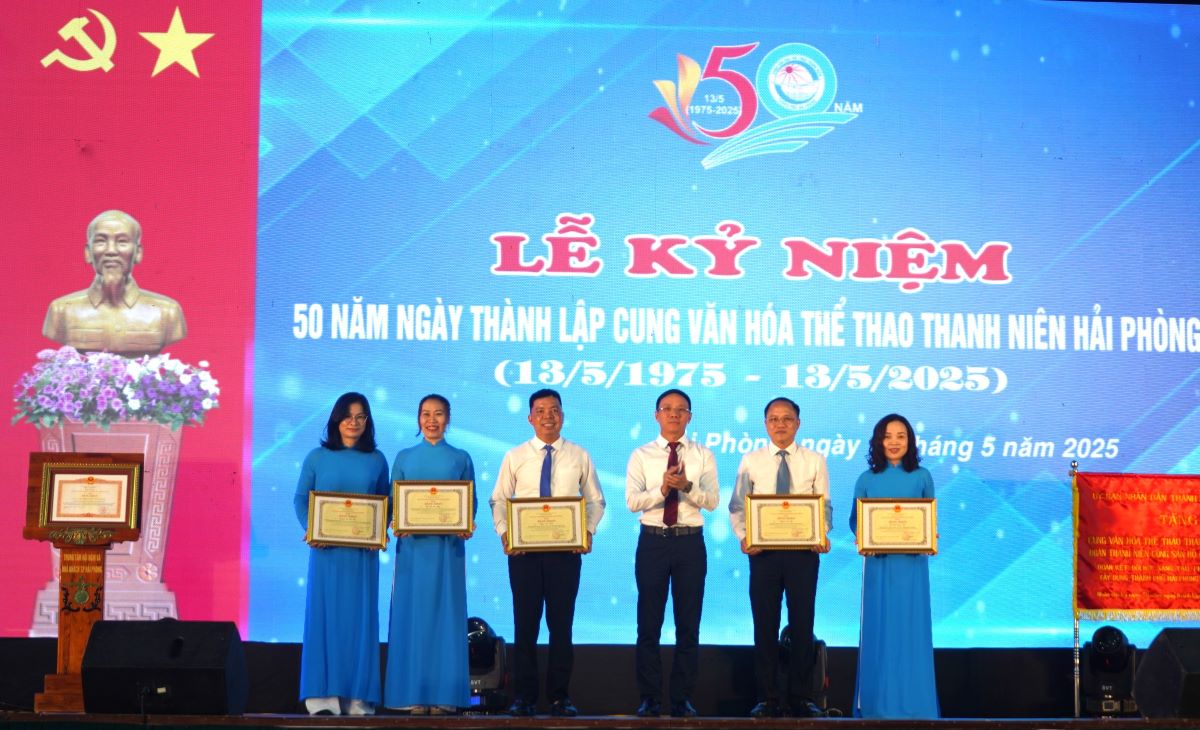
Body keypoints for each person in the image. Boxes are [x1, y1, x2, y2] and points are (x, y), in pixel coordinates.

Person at [490, 388, 606, 717]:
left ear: (562, 416)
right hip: (524, 555)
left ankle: (559, 697)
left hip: (565, 554)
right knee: (525, 626)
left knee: (561, 626)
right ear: (530, 418)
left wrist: (587, 531)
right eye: (540, 411)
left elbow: (596, 500)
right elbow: (499, 499)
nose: (547, 416)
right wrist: (505, 533)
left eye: (554, 410)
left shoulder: (579, 455)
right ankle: (523, 698)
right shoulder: (515, 456)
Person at [729, 397, 832, 718]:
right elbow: (737, 505)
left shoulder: (814, 460)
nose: (780, 424)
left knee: (802, 624)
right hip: (764, 554)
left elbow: (825, 505)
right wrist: (744, 536)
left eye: (787, 418)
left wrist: (821, 533)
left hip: (803, 554)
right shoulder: (751, 461)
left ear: (798, 424)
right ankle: (768, 697)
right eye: (774, 419)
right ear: (766, 424)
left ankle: (801, 697)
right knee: (765, 624)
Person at [292, 392, 390, 716]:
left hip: (362, 557)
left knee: (360, 623)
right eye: (348, 416)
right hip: (326, 555)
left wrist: (379, 529)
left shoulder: (376, 460)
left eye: (360, 417)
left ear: (367, 422)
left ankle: (359, 699)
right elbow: (300, 499)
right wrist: (311, 528)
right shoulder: (317, 457)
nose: (353, 422)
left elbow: (386, 504)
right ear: (336, 419)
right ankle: (322, 699)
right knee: (325, 620)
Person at [625, 389, 719, 718]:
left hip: (689, 543)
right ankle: (650, 697)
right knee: (648, 623)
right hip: (653, 542)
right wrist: (663, 489)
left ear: (689, 416)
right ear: (657, 415)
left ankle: (682, 698)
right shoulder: (641, 455)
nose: (674, 414)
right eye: (667, 409)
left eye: (681, 409)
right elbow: (632, 502)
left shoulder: (703, 455)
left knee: (688, 624)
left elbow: (712, 501)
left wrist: (686, 487)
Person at [385, 394, 476, 715]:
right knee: (413, 618)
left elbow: (470, 502)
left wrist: (466, 524)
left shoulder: (460, 458)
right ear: (418, 418)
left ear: (448, 419)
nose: (432, 420)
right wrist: (395, 522)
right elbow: (393, 503)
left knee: (446, 618)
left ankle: (444, 695)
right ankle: (412, 694)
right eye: (426, 414)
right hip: (412, 551)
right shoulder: (404, 457)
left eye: (438, 414)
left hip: (448, 551)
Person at [849, 414, 939, 718]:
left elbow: (929, 518)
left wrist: (930, 535)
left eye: (901, 436)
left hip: (912, 568)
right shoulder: (866, 479)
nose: (894, 442)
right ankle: (876, 707)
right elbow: (855, 521)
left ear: (910, 440)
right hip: (879, 567)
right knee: (880, 633)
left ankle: (918, 706)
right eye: (888, 436)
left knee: (912, 633)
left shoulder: (922, 477)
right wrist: (863, 536)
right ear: (878, 441)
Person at [43, 210, 186, 357]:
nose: (111, 250)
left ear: (138, 253)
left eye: (122, 241)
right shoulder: (61, 310)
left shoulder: (167, 312)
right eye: (101, 241)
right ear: (88, 252)